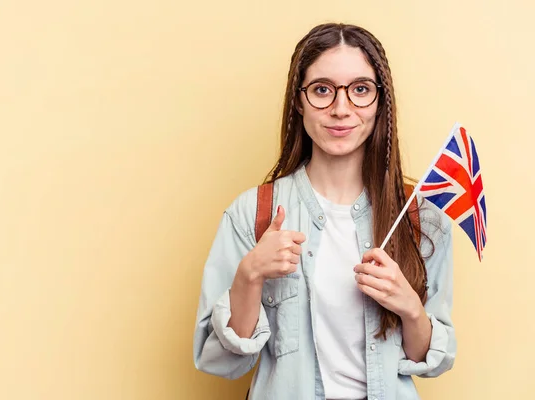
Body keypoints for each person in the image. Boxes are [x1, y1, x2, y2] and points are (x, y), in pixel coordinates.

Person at [193, 22, 455, 400]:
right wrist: (249, 276)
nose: (341, 109)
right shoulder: (252, 213)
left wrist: (411, 309)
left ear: (381, 100)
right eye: (322, 90)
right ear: (299, 101)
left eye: (360, 90)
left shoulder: (420, 220)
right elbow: (221, 362)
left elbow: (426, 360)